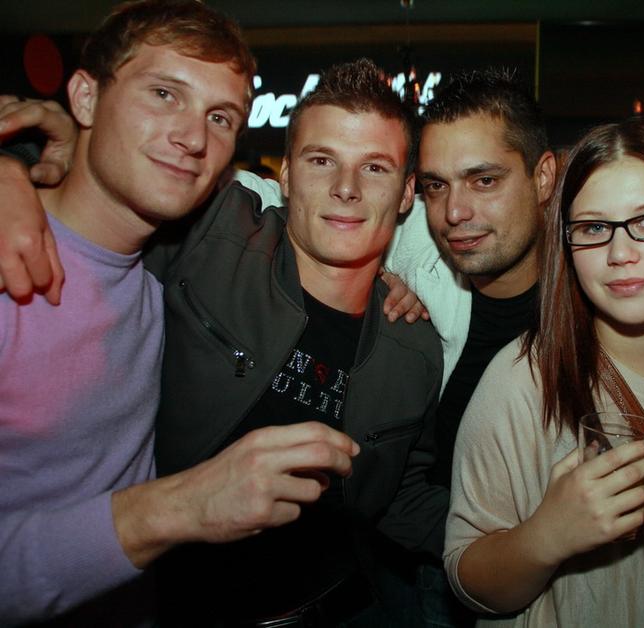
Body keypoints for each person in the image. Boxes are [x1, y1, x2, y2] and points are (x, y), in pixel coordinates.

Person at [0, 1, 360, 626]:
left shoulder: (160, 272)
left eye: (220, 118)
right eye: (164, 94)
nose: (193, 138)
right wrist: (182, 507)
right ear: (85, 98)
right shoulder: (11, 267)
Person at [148, 57, 448, 626]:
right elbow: (105, 176)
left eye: (374, 168)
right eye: (321, 160)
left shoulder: (416, 348)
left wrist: (520, 531)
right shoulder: (210, 239)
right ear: (285, 175)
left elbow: (402, 496)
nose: (346, 189)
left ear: (407, 193)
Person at [444, 118, 644, 626]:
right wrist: (546, 536)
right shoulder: (523, 380)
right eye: (593, 228)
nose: (621, 254)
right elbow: (466, 578)